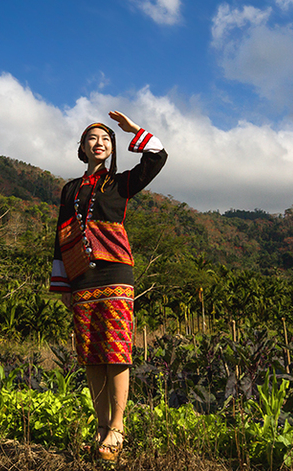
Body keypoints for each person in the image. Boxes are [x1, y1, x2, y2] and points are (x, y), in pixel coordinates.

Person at [50, 110, 167, 463]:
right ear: (82, 148)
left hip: (115, 272)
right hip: (81, 276)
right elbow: (60, 237)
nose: (99, 143)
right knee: (90, 352)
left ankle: (117, 427)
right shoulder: (70, 189)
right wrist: (64, 284)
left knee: (115, 350)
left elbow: (158, 156)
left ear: (112, 148)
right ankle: (101, 427)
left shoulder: (120, 183)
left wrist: (133, 130)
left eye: (105, 139)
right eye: (92, 138)